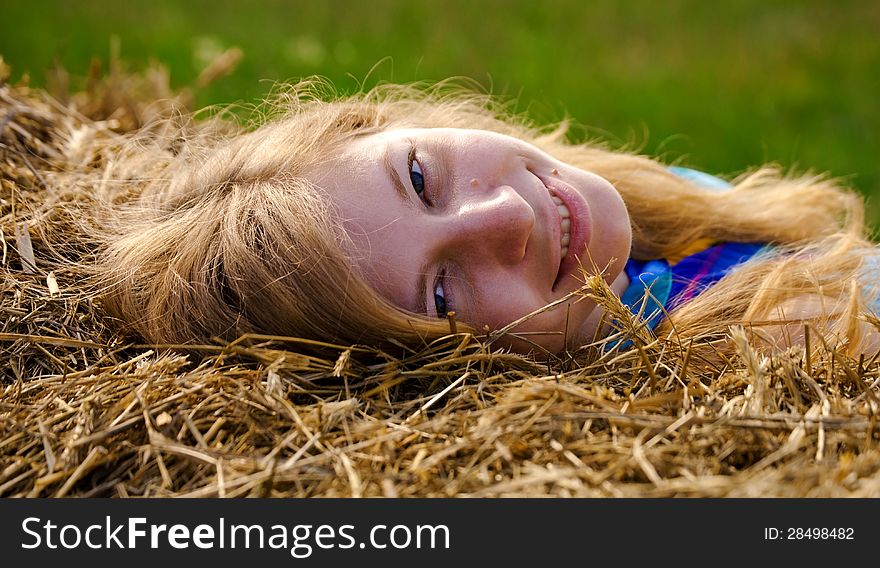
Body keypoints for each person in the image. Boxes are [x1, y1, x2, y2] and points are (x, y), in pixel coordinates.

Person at [90, 79, 879, 359]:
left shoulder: (634, 204)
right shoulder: (786, 333)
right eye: (442, 296)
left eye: (422, 177)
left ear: (383, 123)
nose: (506, 216)